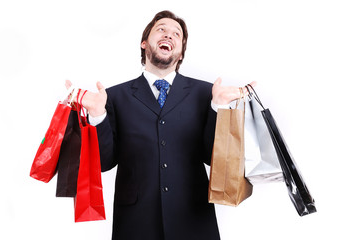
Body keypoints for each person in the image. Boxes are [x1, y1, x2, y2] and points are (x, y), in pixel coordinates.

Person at [67, 10, 255, 240]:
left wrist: (218, 108)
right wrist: (97, 115)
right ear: (144, 43)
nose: (169, 35)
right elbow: (105, 163)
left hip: (193, 220)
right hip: (136, 223)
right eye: (161, 30)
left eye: (176, 34)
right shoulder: (113, 97)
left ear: (181, 52)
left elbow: (212, 157)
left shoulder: (206, 94)